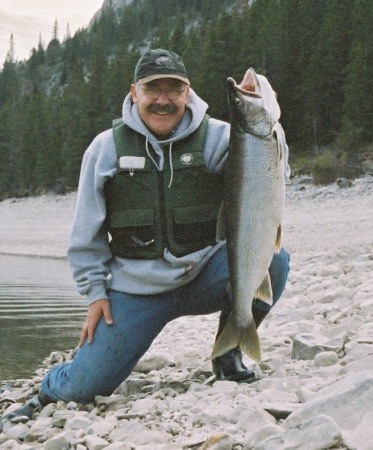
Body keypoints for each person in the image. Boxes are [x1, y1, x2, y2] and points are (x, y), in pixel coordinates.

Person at [0, 49, 290, 427]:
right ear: (134, 92)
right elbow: (85, 235)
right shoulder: (105, 149)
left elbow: (269, 173)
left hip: (204, 274)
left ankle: (229, 349)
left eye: (174, 89)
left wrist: (272, 124)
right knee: (85, 386)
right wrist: (95, 294)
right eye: (154, 89)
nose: (164, 99)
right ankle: (49, 388)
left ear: (188, 93)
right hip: (135, 292)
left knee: (275, 261)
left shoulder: (223, 136)